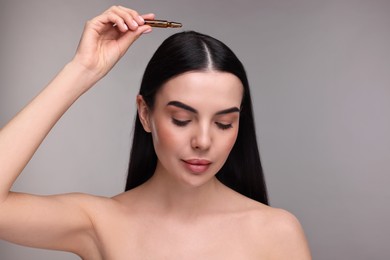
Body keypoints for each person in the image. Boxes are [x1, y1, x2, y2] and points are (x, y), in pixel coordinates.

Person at [0, 6, 311, 259]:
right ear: (145, 114)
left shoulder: (276, 232)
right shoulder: (101, 223)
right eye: (181, 119)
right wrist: (82, 70)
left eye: (223, 124)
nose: (203, 141)